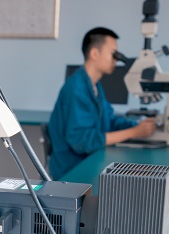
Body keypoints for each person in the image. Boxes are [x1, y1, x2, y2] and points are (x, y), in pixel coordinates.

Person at [48, 27, 157, 180]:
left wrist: (139, 126)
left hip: (90, 160)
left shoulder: (94, 86)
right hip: (72, 171)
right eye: (113, 53)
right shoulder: (76, 89)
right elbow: (81, 142)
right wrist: (134, 132)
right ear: (94, 54)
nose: (116, 59)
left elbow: (109, 121)